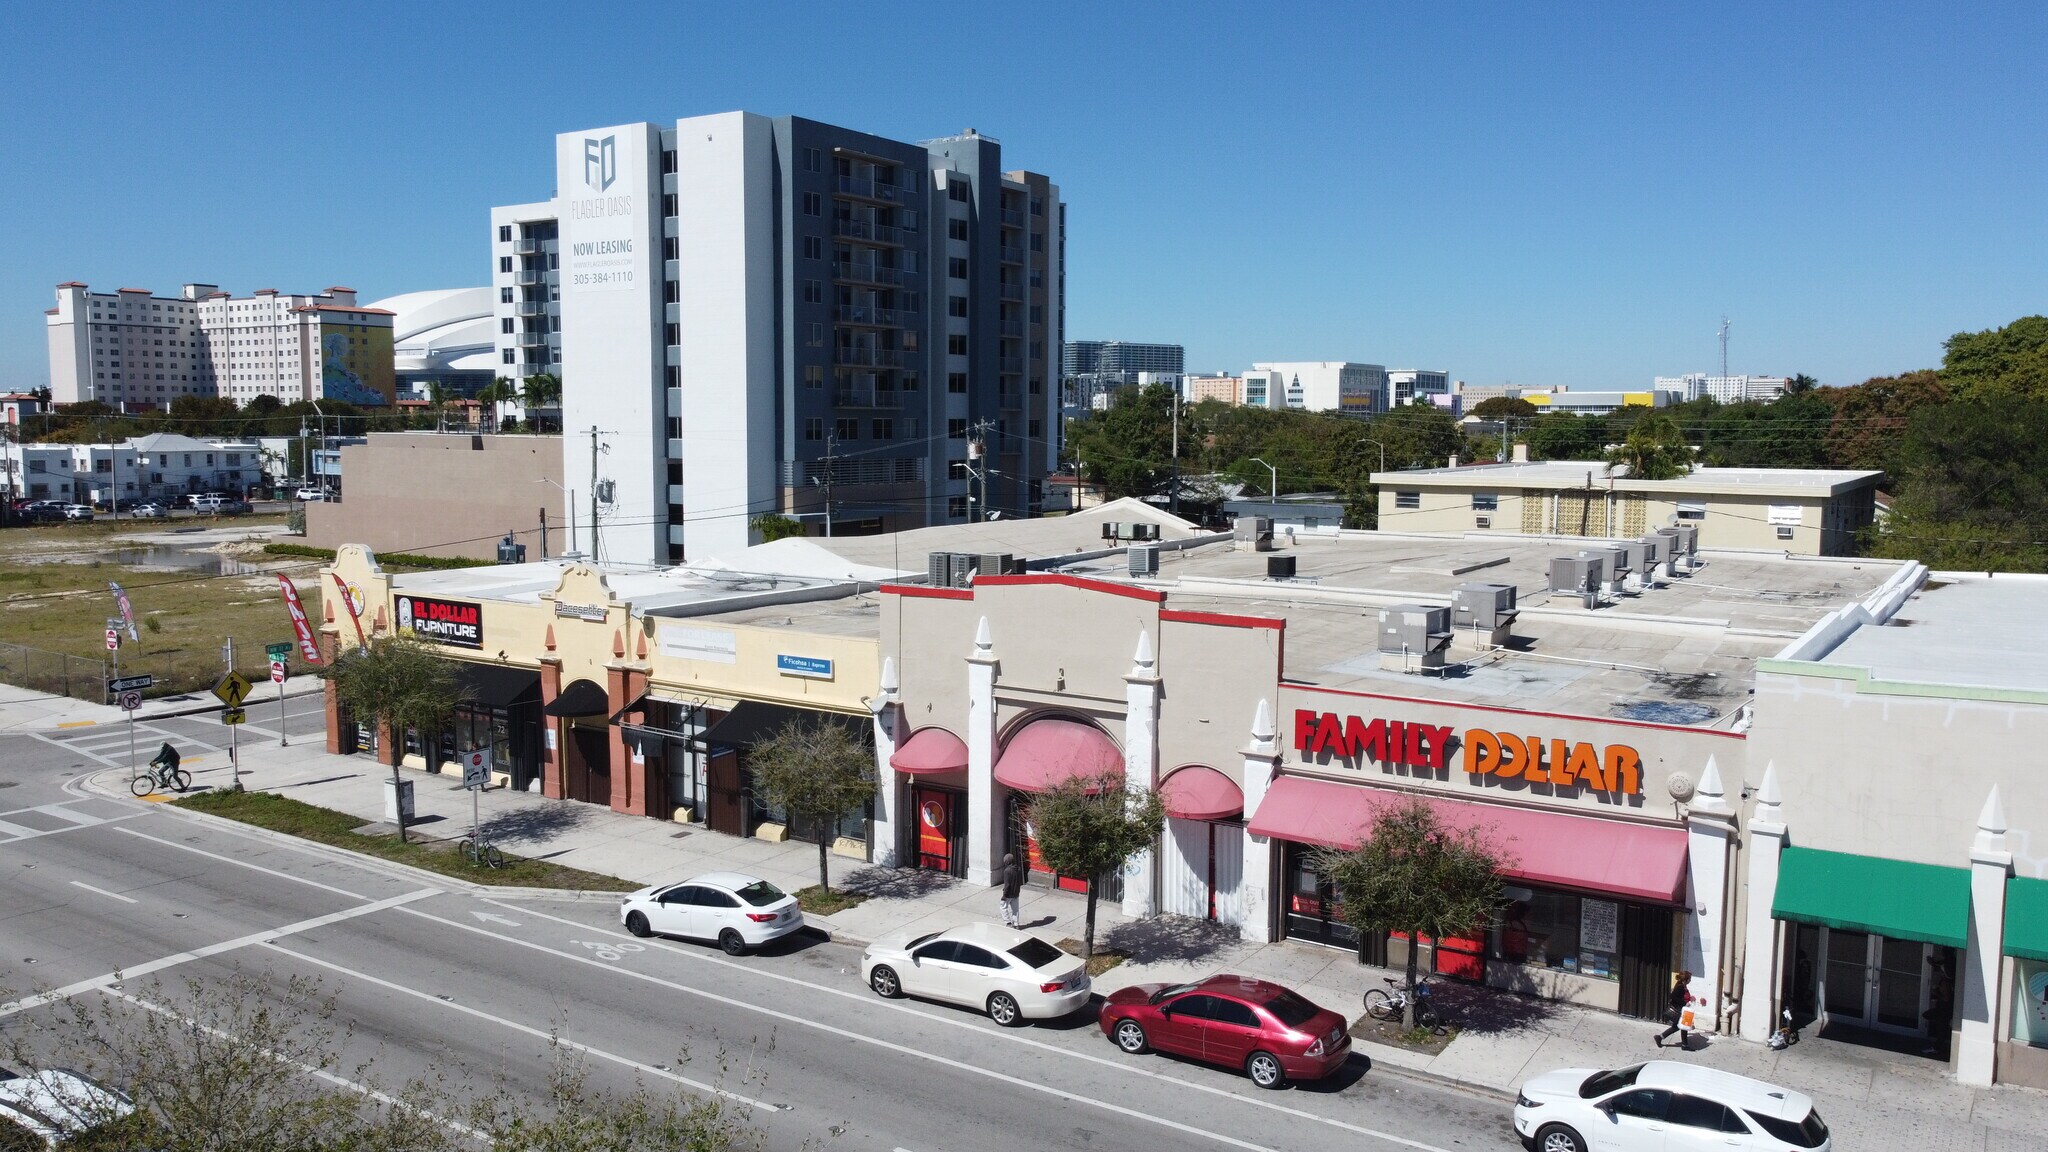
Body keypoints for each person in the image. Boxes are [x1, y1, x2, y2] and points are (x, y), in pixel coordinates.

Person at [1655, 970, 1696, 1048]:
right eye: (1689, 979)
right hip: (1679, 1010)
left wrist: (1690, 999)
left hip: (1683, 1010)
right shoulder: (1680, 987)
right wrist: (1684, 1003)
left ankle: (1660, 1038)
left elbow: (1683, 997)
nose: (1690, 980)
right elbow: (1673, 996)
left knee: (1681, 1027)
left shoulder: (1683, 986)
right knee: (1681, 1026)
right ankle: (1684, 1045)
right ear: (1685, 980)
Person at [999, 852, 1022, 929]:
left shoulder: (1007, 871)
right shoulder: (1018, 869)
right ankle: (1016, 924)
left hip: (1009, 894)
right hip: (1016, 893)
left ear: (1007, 861)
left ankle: (1008, 923)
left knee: (1003, 907)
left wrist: (1004, 895)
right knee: (1015, 910)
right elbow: (1020, 881)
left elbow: (1007, 885)